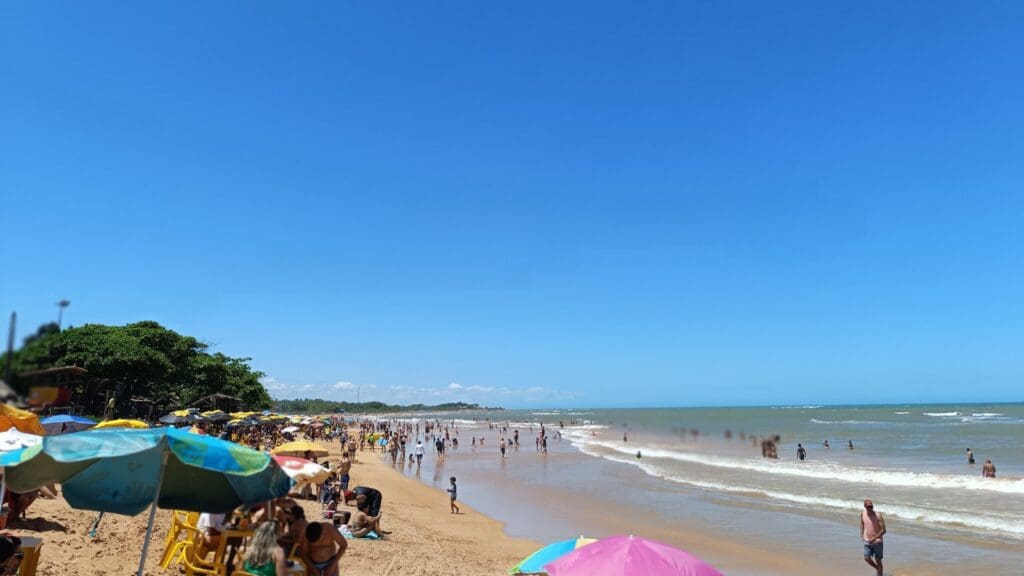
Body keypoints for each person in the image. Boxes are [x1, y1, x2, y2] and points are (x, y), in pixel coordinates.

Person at [860, 499, 886, 576]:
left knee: (878, 560)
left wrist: (873, 539)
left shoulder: (878, 515)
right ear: (865, 507)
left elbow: (884, 530)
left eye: (871, 506)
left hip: (877, 542)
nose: (870, 507)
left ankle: (879, 574)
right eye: (869, 506)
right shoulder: (863, 513)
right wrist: (861, 535)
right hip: (867, 541)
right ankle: (878, 569)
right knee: (867, 558)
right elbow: (862, 524)